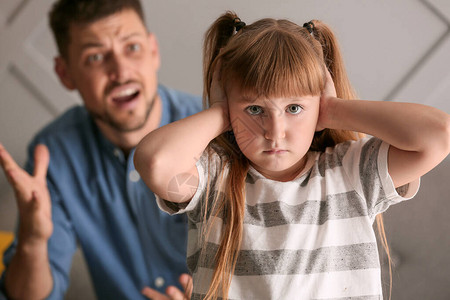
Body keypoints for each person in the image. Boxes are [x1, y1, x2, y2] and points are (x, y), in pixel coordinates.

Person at [134, 11, 450, 300]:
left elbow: (438, 135)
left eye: (294, 108)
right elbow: (155, 162)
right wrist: (221, 111)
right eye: (254, 109)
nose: (275, 130)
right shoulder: (214, 179)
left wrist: (335, 111)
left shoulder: (351, 172)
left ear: (319, 105)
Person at [0, 0, 201, 299]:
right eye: (95, 57)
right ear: (65, 73)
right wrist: (32, 240)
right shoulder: (53, 155)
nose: (120, 71)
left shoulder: (220, 133)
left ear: (153, 51)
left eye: (131, 48)